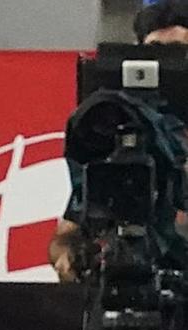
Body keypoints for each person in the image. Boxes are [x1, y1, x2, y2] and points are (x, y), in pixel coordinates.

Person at [49, 0, 188, 282]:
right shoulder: (120, 137)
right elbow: (68, 232)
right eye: (154, 53)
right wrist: (68, 255)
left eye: (178, 54)